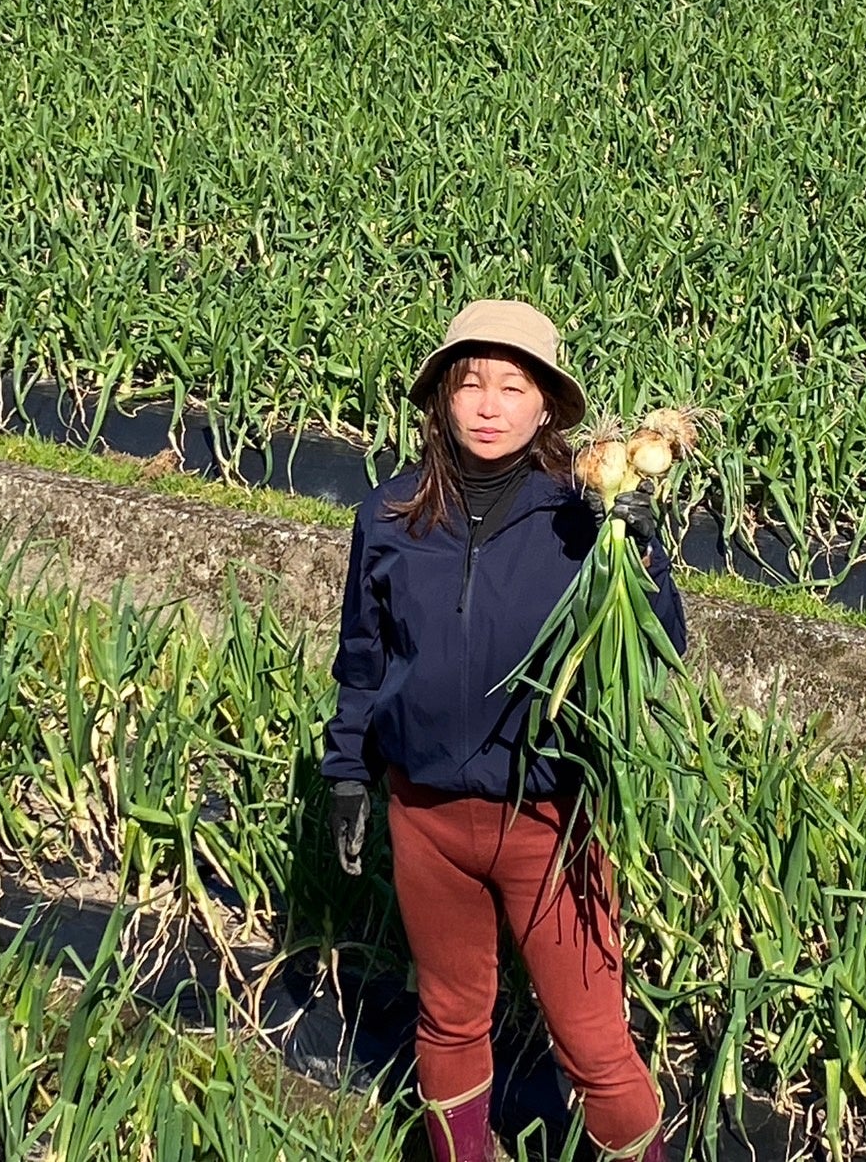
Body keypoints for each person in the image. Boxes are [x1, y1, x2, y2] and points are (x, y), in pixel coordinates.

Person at [321, 300, 686, 1162]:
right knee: (448, 1018)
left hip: (547, 825)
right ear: (443, 398)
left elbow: (659, 642)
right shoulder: (391, 513)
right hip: (427, 816)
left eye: (511, 385)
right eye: (470, 383)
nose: (488, 404)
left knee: (592, 1041)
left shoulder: (583, 515)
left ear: (547, 406)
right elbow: (362, 658)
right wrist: (346, 771)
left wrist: (643, 554)